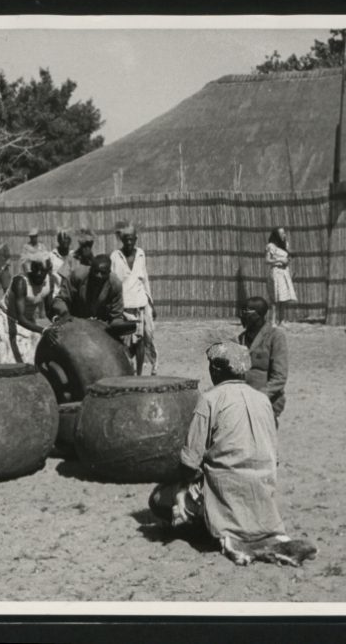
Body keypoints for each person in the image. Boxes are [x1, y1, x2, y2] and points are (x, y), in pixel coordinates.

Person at [147, 341, 312, 567]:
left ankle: (212, 528)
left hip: (225, 491)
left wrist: (180, 489)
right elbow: (276, 457)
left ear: (215, 370)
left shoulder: (209, 399)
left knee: (158, 500)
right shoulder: (263, 400)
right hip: (262, 494)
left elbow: (189, 463)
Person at [0, 251, 60, 365]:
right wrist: (43, 330)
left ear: (48, 270)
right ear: (31, 267)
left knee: (33, 358)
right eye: (35, 268)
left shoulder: (49, 282)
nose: (38, 273)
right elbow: (20, 318)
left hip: (28, 321)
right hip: (7, 319)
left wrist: (57, 319)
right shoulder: (21, 282)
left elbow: (49, 310)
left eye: (42, 270)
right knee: (6, 359)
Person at [110, 223, 159, 376]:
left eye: (131, 239)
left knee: (142, 340)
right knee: (124, 342)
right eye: (126, 239)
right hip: (124, 306)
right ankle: (127, 372)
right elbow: (112, 282)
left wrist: (151, 303)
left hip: (141, 304)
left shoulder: (140, 254)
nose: (129, 242)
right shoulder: (115, 256)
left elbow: (145, 280)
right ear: (121, 239)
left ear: (136, 238)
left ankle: (139, 374)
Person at [238, 296, 288, 423]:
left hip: (266, 402)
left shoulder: (275, 336)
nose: (241, 316)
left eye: (245, 312)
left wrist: (258, 398)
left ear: (258, 314)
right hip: (241, 402)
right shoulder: (239, 339)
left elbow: (279, 377)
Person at [51, 253, 125, 325]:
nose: (99, 276)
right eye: (96, 271)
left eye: (103, 273)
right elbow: (59, 300)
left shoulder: (115, 285)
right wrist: (65, 313)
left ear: (109, 272)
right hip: (75, 320)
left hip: (101, 325)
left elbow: (116, 315)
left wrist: (118, 325)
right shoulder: (78, 276)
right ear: (90, 269)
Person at [265, 227, 297, 326]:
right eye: (282, 233)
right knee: (275, 297)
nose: (284, 235)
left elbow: (288, 257)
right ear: (276, 235)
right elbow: (267, 260)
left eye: (284, 233)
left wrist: (288, 261)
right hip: (276, 272)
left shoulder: (285, 245)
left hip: (284, 272)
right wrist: (279, 261)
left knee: (283, 297)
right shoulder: (271, 246)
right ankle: (273, 321)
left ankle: (282, 320)